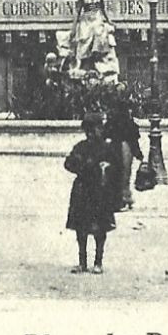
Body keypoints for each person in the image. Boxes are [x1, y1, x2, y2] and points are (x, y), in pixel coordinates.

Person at [64, 112, 118, 273]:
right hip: (83, 189)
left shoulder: (107, 148)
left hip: (100, 190)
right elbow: (68, 163)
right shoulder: (81, 147)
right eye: (93, 129)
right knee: (81, 227)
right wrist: (81, 165)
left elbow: (116, 167)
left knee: (99, 227)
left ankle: (98, 261)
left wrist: (107, 168)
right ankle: (82, 262)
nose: (95, 132)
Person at [104, 103, 143, 211]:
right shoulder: (130, 124)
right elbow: (134, 141)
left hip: (113, 148)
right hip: (126, 149)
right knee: (125, 174)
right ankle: (125, 198)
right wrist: (139, 154)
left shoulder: (111, 122)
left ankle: (118, 199)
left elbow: (105, 135)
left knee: (115, 174)